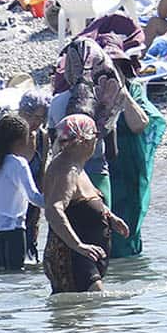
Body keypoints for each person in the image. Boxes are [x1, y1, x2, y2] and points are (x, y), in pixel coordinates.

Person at [41, 114, 124, 293]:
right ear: (84, 141)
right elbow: (54, 210)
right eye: (95, 135)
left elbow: (85, 202)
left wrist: (110, 217)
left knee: (87, 315)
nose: (96, 141)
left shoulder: (76, 165)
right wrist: (78, 245)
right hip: (74, 256)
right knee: (97, 303)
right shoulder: (66, 169)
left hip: (86, 256)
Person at [0, 113, 42, 270]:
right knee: (16, 275)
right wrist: (57, 202)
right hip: (14, 227)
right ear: (21, 141)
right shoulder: (19, 163)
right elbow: (34, 197)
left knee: (6, 274)